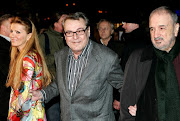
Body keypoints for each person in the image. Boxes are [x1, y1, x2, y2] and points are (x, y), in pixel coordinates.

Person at [30, 12, 124, 121]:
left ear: (88, 31)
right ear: (64, 35)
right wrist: (42, 93)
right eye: (69, 32)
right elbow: (59, 84)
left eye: (79, 31)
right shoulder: (60, 56)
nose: (75, 37)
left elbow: (124, 86)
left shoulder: (107, 58)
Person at [120, 6, 180, 121]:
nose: (156, 35)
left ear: (176, 29)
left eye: (161, 28)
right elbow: (126, 105)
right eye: (152, 29)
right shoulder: (138, 58)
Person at [6, 16, 51, 121]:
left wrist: (15, 113)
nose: (12, 35)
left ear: (29, 36)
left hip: (26, 113)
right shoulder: (29, 55)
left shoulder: (28, 57)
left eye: (18, 32)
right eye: (12, 31)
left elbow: (25, 90)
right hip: (31, 111)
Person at [38, 11, 67, 121]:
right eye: (63, 21)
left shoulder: (69, 37)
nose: (66, 23)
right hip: (52, 86)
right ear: (55, 24)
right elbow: (40, 61)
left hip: (67, 87)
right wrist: (59, 56)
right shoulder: (44, 38)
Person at [0, 14, 14, 121]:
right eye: (11, 25)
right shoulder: (3, 46)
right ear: (3, 28)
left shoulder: (9, 45)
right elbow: (8, 71)